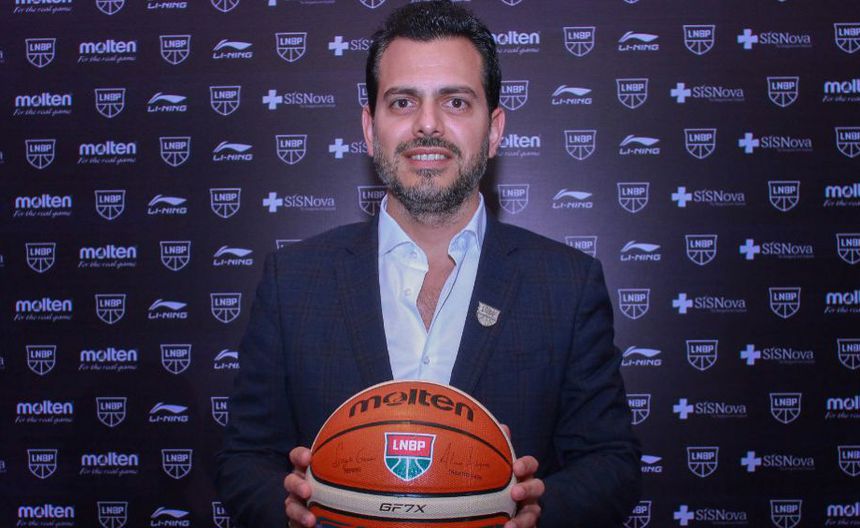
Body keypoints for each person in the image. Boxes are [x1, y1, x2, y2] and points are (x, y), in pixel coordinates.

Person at [215, 2, 641, 526]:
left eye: (456, 102)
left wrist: (533, 507)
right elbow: (244, 458)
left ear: (494, 129)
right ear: (370, 128)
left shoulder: (566, 284)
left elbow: (611, 463)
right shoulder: (294, 281)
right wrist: (292, 507)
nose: (428, 125)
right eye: (403, 102)